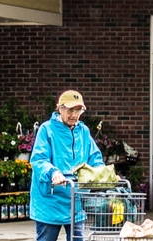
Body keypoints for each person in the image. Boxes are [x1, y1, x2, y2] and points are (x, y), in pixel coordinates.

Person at [29, 90, 103, 241]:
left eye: (78, 110)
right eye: (70, 110)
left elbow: (94, 158)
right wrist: (53, 173)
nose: (74, 115)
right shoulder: (47, 129)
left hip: (76, 199)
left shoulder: (83, 131)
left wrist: (105, 174)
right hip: (50, 200)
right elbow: (39, 160)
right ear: (60, 108)